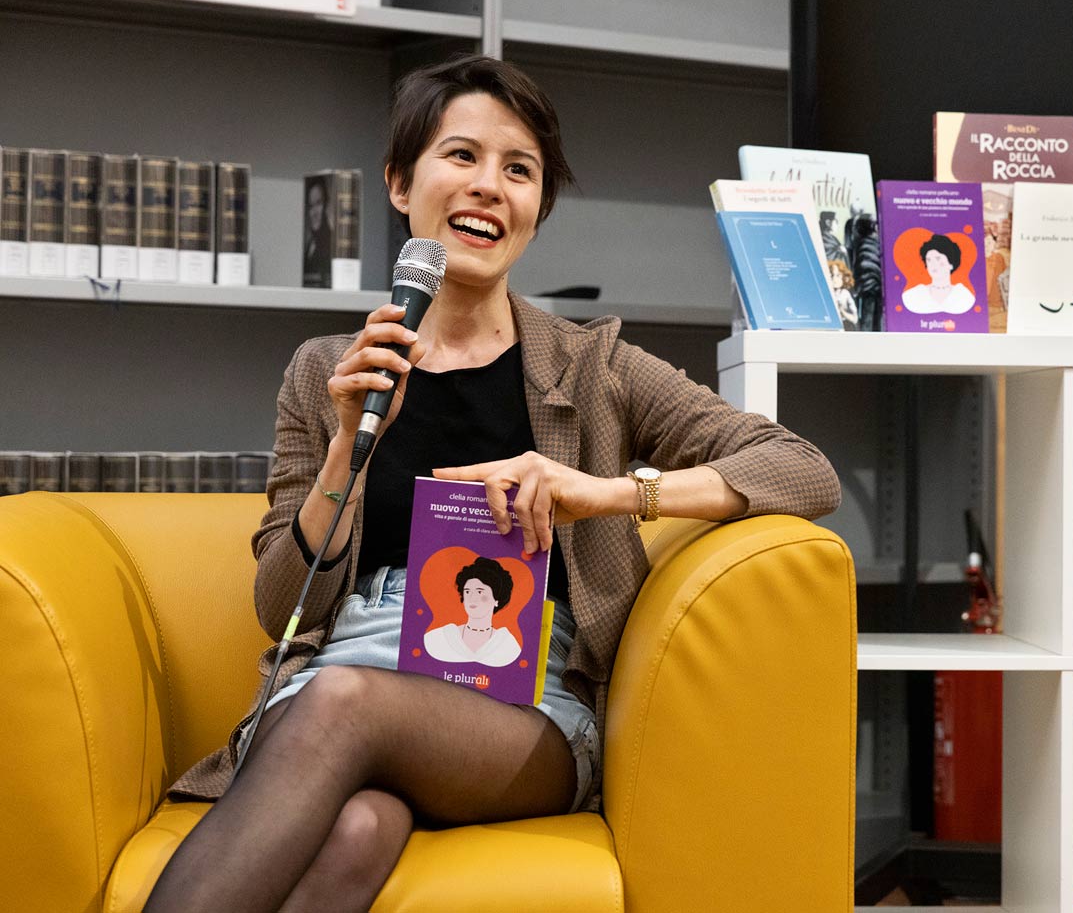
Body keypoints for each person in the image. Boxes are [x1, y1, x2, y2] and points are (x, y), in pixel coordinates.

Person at [145, 53, 840, 912]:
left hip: (519, 705)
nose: (488, 186)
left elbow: (800, 468)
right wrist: (344, 446)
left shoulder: (596, 367)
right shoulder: (327, 370)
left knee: (344, 702)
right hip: (347, 664)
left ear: (537, 211)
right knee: (360, 825)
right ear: (401, 183)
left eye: (519, 170)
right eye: (462, 155)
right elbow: (283, 604)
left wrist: (606, 492)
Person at [422, 558, 523, 665]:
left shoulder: (507, 644)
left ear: (496, 600)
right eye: (467, 592)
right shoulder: (440, 637)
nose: (472, 598)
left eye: (480, 592)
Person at [901, 233, 975, 315]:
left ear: (951, 264)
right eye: (929, 260)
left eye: (938, 259)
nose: (933, 264)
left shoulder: (963, 294)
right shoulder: (915, 294)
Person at [302, 175, 333, 287]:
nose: (314, 212)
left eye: (318, 203)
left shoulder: (332, 245)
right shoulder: (309, 244)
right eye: (311, 206)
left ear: (327, 205)